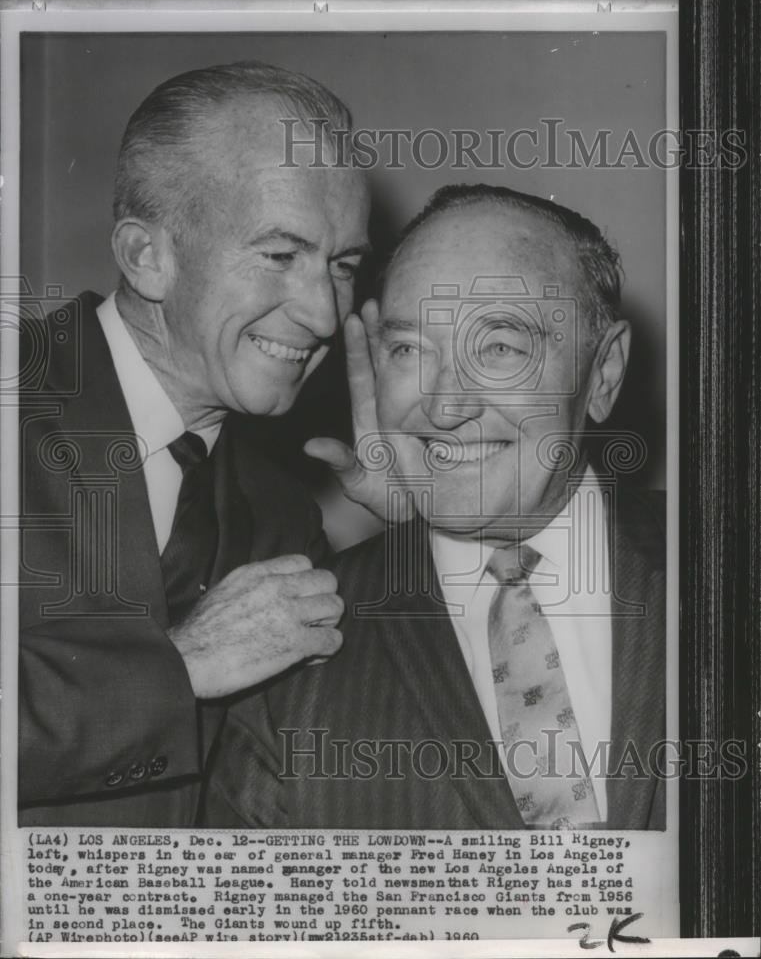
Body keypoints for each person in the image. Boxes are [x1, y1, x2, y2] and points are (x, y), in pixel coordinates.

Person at [203, 183, 666, 831]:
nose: (446, 407)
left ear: (605, 372)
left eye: (500, 348)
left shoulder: (729, 570)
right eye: (407, 351)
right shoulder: (291, 654)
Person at [18, 60, 374, 826]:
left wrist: (428, 531)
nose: (321, 314)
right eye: (280, 255)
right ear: (148, 256)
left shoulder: (282, 515)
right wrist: (179, 668)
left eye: (341, 266)